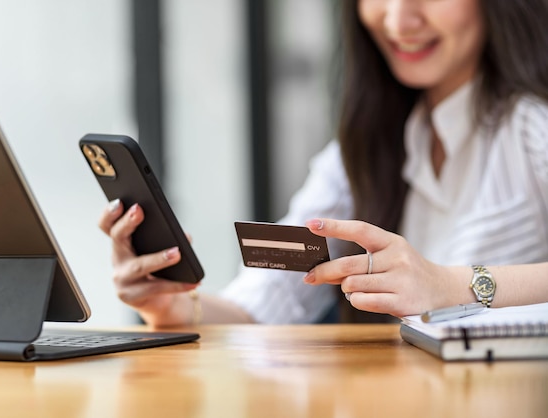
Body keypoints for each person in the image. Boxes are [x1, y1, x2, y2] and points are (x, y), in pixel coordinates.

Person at [99, 0, 548, 327]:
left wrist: (451, 285)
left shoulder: (532, 124)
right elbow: (266, 303)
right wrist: (171, 305)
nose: (398, 19)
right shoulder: (365, 143)